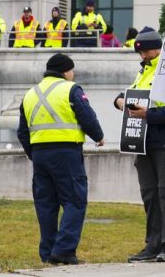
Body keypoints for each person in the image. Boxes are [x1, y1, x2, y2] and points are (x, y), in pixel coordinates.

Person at [17, 53, 104, 266]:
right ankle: (64, 250)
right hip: (66, 153)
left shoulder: (30, 94)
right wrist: (98, 136)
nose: (73, 74)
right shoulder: (70, 89)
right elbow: (87, 116)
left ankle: (48, 253)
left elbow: (22, 132)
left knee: (46, 205)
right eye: (72, 70)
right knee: (74, 200)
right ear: (65, 71)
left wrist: (34, 153)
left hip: (40, 155)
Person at [116, 30, 165, 264]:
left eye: (146, 51)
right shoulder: (144, 71)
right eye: (140, 51)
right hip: (144, 142)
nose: (143, 55)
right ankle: (153, 244)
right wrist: (121, 101)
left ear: (157, 48)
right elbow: (131, 93)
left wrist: (147, 113)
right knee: (150, 194)